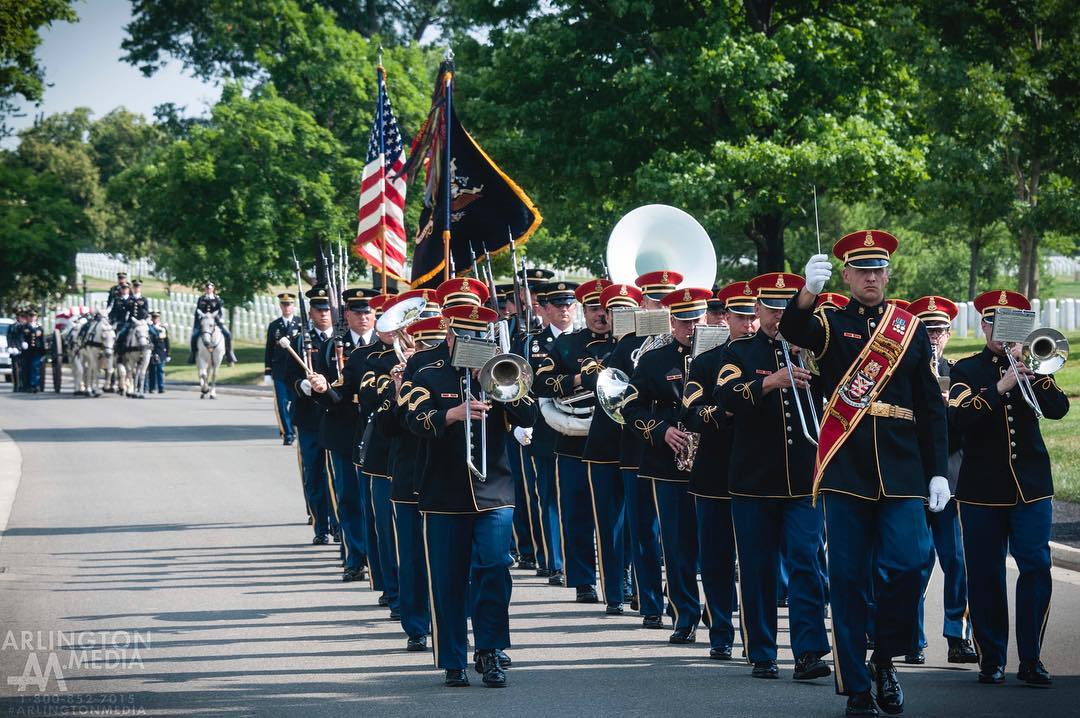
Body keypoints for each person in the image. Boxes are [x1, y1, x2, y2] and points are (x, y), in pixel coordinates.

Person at [778, 230, 950, 717]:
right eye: (861, 270)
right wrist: (807, 293)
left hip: (900, 470)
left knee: (914, 561)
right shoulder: (830, 323)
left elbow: (931, 408)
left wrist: (937, 472)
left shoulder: (909, 327)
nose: (871, 277)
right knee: (848, 579)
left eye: (878, 269)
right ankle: (856, 686)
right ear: (848, 276)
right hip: (846, 470)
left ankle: (883, 659)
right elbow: (793, 329)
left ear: (887, 273)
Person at [404, 279, 537, 688]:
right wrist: (451, 415)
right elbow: (411, 418)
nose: (472, 337)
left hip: (494, 487)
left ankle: (492, 650)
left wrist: (502, 387)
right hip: (443, 490)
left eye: (478, 331)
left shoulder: (501, 364)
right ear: (448, 328)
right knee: (447, 576)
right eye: (463, 330)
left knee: (495, 567)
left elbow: (529, 418)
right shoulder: (422, 366)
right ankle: (452, 658)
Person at [948, 289, 1069, 687]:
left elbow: (1057, 410)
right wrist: (1000, 387)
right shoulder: (967, 369)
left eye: (1012, 325)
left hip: (1031, 486)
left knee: (1036, 565)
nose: (1002, 331)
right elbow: (960, 420)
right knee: (985, 574)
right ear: (984, 325)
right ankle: (992, 657)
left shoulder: (1034, 364)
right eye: (995, 322)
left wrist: (1034, 373)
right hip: (982, 489)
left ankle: (1032, 657)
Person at [716, 272, 832, 680]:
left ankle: (808, 651)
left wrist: (809, 358)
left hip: (803, 477)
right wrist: (770, 381)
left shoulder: (812, 348)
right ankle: (763, 650)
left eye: (786, 307)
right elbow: (725, 395)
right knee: (758, 567)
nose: (778, 314)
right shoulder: (739, 352)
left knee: (806, 561)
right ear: (758, 308)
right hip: (754, 479)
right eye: (771, 307)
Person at [623, 286, 713, 645]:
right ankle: (685, 614)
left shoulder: (723, 356)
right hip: (668, 464)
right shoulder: (654, 360)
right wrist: (660, 431)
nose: (691, 327)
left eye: (697, 319)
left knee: (716, 545)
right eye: (683, 320)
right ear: (671, 321)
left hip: (715, 463)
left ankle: (717, 611)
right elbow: (629, 407)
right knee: (677, 546)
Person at [679, 280, 758, 658]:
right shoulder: (706, 362)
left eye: (754, 316)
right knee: (717, 559)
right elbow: (692, 414)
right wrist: (728, 408)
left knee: (758, 561)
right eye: (741, 316)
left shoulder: (776, 360)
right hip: (715, 472)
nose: (750, 324)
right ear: (726, 318)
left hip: (761, 474)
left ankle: (756, 638)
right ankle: (721, 632)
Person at [902, 295, 977, 665]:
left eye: (939, 329)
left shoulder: (958, 373)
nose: (933, 336)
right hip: (912, 479)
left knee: (956, 560)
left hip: (950, 479)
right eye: (927, 329)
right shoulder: (904, 373)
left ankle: (956, 634)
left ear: (949, 333)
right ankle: (912, 637)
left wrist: (948, 409)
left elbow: (966, 432)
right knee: (914, 561)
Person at [534, 278, 615, 605]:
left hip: (613, 441)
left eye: (606, 309)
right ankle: (583, 579)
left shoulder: (623, 343)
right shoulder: (567, 345)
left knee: (614, 516)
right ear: (584, 310)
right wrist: (580, 379)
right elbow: (542, 382)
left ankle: (618, 576)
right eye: (594, 308)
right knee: (576, 511)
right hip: (572, 441)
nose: (601, 314)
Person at [380, 311, 445, 652]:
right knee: (413, 557)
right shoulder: (402, 375)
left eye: (436, 342)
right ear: (412, 345)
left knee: (453, 558)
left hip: (449, 478)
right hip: (408, 479)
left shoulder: (453, 374)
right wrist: (395, 391)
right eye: (423, 343)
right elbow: (386, 429)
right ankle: (417, 626)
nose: (429, 350)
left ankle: (453, 622)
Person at [620, 270, 682, 629]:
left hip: (692, 450)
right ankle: (649, 600)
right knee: (645, 528)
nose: (660, 304)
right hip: (640, 448)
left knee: (683, 535)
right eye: (654, 299)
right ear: (642, 302)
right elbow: (616, 393)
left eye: (667, 299)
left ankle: (683, 604)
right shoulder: (630, 344)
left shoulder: (702, 343)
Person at [579, 282, 644, 615]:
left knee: (640, 522)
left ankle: (639, 584)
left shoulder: (647, 347)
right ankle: (615, 591)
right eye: (615, 311)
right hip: (604, 445)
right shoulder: (594, 349)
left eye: (627, 310)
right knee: (609, 524)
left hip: (637, 444)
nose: (620, 316)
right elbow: (593, 380)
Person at [525, 281, 570, 586]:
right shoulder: (531, 345)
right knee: (549, 498)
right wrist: (521, 422)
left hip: (579, 430)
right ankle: (553, 560)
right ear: (546, 310)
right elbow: (522, 383)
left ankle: (576, 559)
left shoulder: (584, 341)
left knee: (576, 500)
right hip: (544, 428)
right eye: (558, 306)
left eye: (569, 305)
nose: (565, 311)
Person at [287, 285, 336, 545]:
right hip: (309, 419)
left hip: (334, 417)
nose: (324, 314)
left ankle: (339, 524)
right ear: (311, 312)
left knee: (337, 475)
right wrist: (301, 385)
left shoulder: (340, 342)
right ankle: (321, 526)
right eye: (319, 309)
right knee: (314, 473)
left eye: (327, 309)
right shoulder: (298, 341)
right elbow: (287, 376)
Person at [264, 293, 304, 445]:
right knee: (282, 404)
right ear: (280, 306)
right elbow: (269, 349)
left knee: (295, 402)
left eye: (289, 304)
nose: (287, 307)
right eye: (284, 304)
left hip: (296, 371)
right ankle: (287, 433)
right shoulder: (275, 325)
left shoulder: (301, 324)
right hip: (279, 370)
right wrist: (267, 370)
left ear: (293, 306)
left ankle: (294, 426)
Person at [188, 281, 237, 365]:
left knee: (227, 334)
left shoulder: (217, 299)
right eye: (207, 289)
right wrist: (201, 317)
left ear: (213, 289)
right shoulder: (201, 299)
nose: (208, 290)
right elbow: (198, 310)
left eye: (210, 289)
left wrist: (216, 318)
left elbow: (220, 311)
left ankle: (229, 354)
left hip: (215, 321)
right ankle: (193, 354)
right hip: (203, 321)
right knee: (194, 335)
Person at [22, 309, 46, 394]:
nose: (32, 318)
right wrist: (22, 342)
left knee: (35, 367)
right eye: (30, 316)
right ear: (28, 317)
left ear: (36, 317)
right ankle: (27, 385)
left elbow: (42, 340)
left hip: (37, 350)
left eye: (34, 316)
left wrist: (44, 351)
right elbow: (21, 336)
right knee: (27, 368)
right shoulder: (24, 327)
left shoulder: (39, 328)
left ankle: (34, 385)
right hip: (27, 351)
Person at [145, 311, 170, 393]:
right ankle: (152, 388)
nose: (155, 319)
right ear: (152, 318)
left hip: (161, 352)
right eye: (154, 318)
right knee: (152, 371)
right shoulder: (149, 328)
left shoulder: (162, 328)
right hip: (152, 351)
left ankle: (161, 387)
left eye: (157, 318)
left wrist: (167, 354)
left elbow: (166, 342)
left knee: (160, 370)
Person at [7, 309, 27, 392]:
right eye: (20, 316)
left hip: (24, 350)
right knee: (15, 369)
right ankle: (16, 385)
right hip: (15, 350)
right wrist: (10, 347)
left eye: (23, 316)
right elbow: (9, 337)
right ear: (17, 317)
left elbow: (25, 337)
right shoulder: (12, 326)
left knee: (23, 368)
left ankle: (23, 385)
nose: (22, 318)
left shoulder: (26, 326)